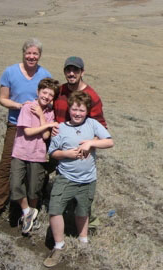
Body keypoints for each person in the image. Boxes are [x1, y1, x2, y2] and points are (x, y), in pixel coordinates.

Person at [0, 38, 51, 225]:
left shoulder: (44, 75)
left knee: (35, 169)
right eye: (29, 53)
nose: (31, 57)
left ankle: (30, 211)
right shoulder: (10, 72)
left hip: (39, 129)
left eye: (35, 54)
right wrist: (21, 106)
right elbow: (3, 99)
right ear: (23, 53)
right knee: (6, 166)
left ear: (40, 56)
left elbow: (49, 98)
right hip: (16, 126)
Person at [43, 91, 114, 267]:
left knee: (83, 210)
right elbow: (53, 152)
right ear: (69, 108)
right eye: (74, 109)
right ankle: (59, 246)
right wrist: (66, 153)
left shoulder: (93, 124)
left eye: (81, 110)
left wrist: (91, 143)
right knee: (55, 209)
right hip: (65, 178)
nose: (77, 113)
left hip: (88, 179)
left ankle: (84, 241)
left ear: (87, 111)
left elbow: (109, 141)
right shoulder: (61, 128)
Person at [10, 78, 59, 234]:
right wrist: (46, 123)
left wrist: (41, 116)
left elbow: (45, 136)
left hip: (37, 155)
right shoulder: (28, 107)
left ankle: (30, 217)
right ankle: (27, 212)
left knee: (34, 189)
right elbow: (28, 131)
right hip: (20, 152)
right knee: (16, 184)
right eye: (44, 92)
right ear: (38, 92)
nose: (46, 96)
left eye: (51, 94)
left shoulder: (50, 112)